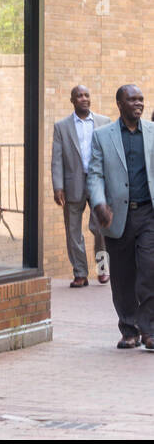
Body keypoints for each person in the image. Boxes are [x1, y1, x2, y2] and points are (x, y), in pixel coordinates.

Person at [85, 84, 154, 350]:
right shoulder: (103, 136)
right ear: (120, 104)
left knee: (149, 270)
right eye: (132, 100)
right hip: (117, 217)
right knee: (123, 276)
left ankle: (149, 330)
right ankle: (129, 328)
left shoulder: (151, 132)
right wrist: (99, 203)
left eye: (141, 100)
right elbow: (95, 174)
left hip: (148, 215)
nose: (138, 104)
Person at [51, 85, 110, 287]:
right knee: (73, 231)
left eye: (86, 95)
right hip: (72, 184)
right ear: (72, 100)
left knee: (100, 228)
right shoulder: (61, 126)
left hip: (98, 183)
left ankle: (103, 269)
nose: (84, 98)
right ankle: (80, 273)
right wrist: (57, 186)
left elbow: (109, 157)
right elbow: (57, 159)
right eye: (79, 96)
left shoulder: (104, 122)